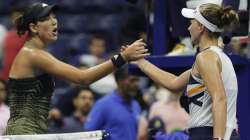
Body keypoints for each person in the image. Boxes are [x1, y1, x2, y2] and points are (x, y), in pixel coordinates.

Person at [5, 2, 149, 135]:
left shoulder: (36, 54)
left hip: (32, 132)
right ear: (34, 27)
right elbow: (83, 78)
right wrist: (122, 57)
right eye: (47, 18)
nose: (54, 21)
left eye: (54, 17)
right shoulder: (33, 55)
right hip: (23, 133)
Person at [133, 3, 239, 140]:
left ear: (201, 27)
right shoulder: (217, 58)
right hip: (219, 132)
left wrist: (217, 138)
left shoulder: (206, 58)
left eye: (191, 23)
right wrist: (141, 63)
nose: (188, 28)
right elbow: (174, 82)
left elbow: (219, 98)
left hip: (208, 133)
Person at [84, 67, 141, 140]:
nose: (136, 84)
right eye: (132, 80)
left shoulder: (135, 105)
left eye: (137, 80)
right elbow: (89, 134)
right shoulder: (103, 104)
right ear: (119, 81)